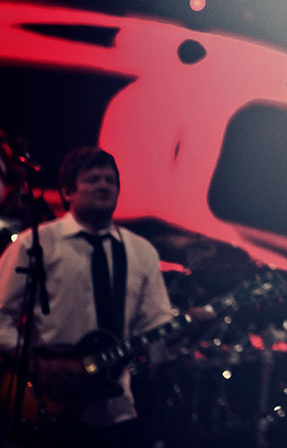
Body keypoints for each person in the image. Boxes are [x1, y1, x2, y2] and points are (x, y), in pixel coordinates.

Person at [0, 147, 174, 448]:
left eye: (111, 180)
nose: (104, 186)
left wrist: (183, 328)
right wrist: (37, 366)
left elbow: (154, 321)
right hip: (46, 399)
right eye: (93, 179)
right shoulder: (36, 243)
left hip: (115, 406)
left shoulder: (141, 251)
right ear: (68, 191)